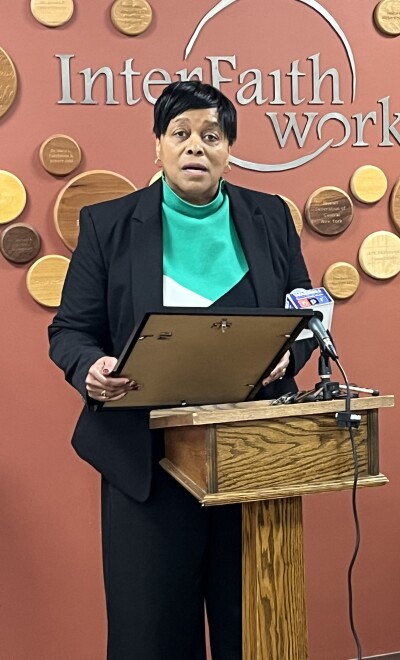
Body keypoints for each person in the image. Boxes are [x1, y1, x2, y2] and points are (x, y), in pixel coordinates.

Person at [48, 80, 316, 660]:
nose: (196, 146)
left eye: (212, 136)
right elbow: (69, 331)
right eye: (181, 133)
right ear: (158, 146)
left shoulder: (271, 218)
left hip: (253, 459)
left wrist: (288, 356)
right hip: (147, 464)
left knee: (256, 627)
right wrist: (91, 367)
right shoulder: (108, 225)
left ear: (229, 150)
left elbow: (305, 315)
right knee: (153, 636)